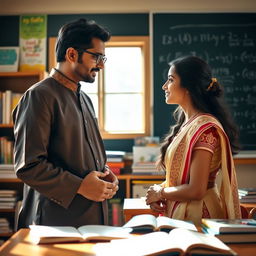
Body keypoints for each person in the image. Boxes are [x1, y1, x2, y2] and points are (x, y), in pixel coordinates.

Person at [12, 18, 119, 229]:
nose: (101, 65)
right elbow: (28, 166)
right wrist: (80, 186)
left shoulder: (85, 99)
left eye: (103, 58)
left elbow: (77, 156)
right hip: (55, 224)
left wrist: (105, 173)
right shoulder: (38, 96)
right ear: (71, 54)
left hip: (91, 220)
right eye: (97, 57)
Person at [145, 56, 241, 225]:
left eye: (170, 80)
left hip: (199, 215)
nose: (164, 86)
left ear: (188, 86)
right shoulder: (188, 124)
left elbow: (196, 190)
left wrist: (161, 193)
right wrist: (159, 190)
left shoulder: (206, 128)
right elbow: (180, 180)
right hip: (182, 211)